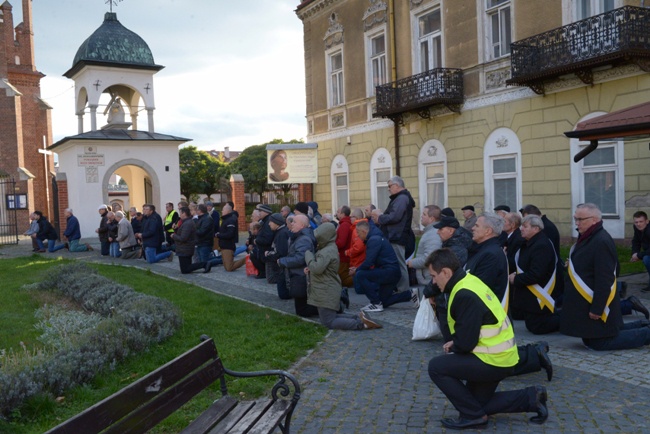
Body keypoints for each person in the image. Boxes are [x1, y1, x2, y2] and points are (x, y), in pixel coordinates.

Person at [426, 249, 548, 430]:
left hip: (492, 360)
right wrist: (458, 342)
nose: (433, 282)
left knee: (436, 367)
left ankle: (475, 417)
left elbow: (467, 343)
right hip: (501, 355)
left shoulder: (463, 294)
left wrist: (455, 346)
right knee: (473, 403)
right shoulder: (469, 281)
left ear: (446, 272)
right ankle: (531, 397)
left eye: (434, 276)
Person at [560, 203, 650, 351]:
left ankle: (647, 334)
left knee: (600, 343)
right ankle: (642, 325)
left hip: (598, 301)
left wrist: (597, 308)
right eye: (575, 218)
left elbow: (605, 278)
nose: (576, 223)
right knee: (590, 339)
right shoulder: (589, 236)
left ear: (594, 220)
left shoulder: (600, 240)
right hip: (587, 299)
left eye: (580, 219)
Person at [305, 222, 382, 330]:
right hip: (326, 288)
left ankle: (361, 324)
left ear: (324, 236)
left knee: (328, 321)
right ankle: (358, 318)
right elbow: (321, 267)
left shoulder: (327, 251)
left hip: (325, 289)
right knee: (330, 317)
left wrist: (308, 256)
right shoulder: (329, 247)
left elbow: (317, 268)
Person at [509, 215, 561, 334]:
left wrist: (515, 279)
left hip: (539, 294)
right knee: (531, 325)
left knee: (538, 328)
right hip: (528, 295)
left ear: (536, 229)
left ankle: (567, 320)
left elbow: (536, 274)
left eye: (525, 226)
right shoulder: (529, 243)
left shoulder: (541, 245)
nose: (521, 228)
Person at [353, 220, 418, 312]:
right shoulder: (376, 237)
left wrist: (356, 270)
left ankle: (375, 303)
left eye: (358, 233)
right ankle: (410, 295)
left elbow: (369, 262)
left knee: (360, 274)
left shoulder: (374, 239)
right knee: (384, 301)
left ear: (364, 231)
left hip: (389, 272)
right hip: (392, 272)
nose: (358, 236)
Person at [376, 175, 416, 294]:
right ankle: (399, 287)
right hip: (395, 235)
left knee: (399, 263)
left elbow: (394, 216)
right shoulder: (400, 198)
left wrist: (380, 218)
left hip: (396, 235)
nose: (388, 189)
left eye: (389, 186)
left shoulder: (402, 198)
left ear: (397, 186)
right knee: (397, 262)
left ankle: (403, 290)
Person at [278, 215, 318, 317]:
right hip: (298, 275)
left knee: (302, 310)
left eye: (294, 222)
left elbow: (300, 258)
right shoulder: (299, 236)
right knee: (301, 307)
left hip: (301, 276)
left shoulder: (304, 239)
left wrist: (283, 261)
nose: (292, 224)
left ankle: (335, 307)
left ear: (302, 225)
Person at [466, 213, 509, 303]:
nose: (472, 228)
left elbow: (479, 288)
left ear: (488, 231)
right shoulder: (481, 249)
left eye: (477, 226)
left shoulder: (491, 254)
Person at [407, 205, 443, 286]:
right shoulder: (430, 232)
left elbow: (430, 257)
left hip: (429, 279)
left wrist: (412, 263)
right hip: (427, 277)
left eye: (424, 214)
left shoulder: (433, 234)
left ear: (432, 219)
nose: (421, 216)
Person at [172, 206, 211, 274]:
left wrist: (174, 235)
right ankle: (204, 264)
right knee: (186, 268)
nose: (179, 215)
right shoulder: (186, 222)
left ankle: (204, 264)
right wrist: (175, 229)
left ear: (184, 213)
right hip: (184, 248)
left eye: (180, 213)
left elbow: (183, 238)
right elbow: (183, 233)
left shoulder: (188, 223)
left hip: (185, 248)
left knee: (185, 269)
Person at [265, 214, 292, 299]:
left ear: (277, 223)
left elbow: (281, 252)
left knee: (283, 293)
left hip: (282, 265)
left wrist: (269, 254)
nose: (269, 224)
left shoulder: (281, 234)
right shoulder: (279, 232)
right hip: (281, 264)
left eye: (271, 222)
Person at [216, 203, 247, 272]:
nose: (222, 211)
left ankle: (246, 259)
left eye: (223, 210)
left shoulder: (230, 220)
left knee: (229, 267)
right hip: (224, 246)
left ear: (227, 211)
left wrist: (218, 235)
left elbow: (230, 234)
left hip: (228, 246)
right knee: (227, 267)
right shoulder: (226, 220)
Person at [345, 208, 368, 293]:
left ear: (357, 217)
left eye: (352, 216)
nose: (350, 218)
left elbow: (358, 247)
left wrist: (348, 252)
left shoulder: (356, 229)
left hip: (358, 261)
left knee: (359, 289)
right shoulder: (363, 226)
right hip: (361, 260)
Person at [254, 204, 275, 281]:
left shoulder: (268, 222)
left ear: (266, 212)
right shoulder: (264, 221)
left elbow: (268, 238)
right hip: (263, 249)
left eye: (260, 211)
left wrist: (257, 240)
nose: (259, 213)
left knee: (270, 276)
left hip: (266, 249)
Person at [631, 211, 650, 292]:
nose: (638, 224)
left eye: (641, 221)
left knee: (646, 259)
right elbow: (636, 241)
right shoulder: (637, 228)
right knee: (646, 258)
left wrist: (639, 255)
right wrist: (634, 254)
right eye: (636, 222)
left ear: (647, 221)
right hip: (647, 251)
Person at [335, 206, 353, 287]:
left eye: (338, 212)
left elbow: (341, 242)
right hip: (345, 254)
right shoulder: (346, 223)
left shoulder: (344, 225)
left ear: (342, 214)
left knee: (343, 278)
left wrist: (332, 244)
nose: (336, 214)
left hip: (343, 255)